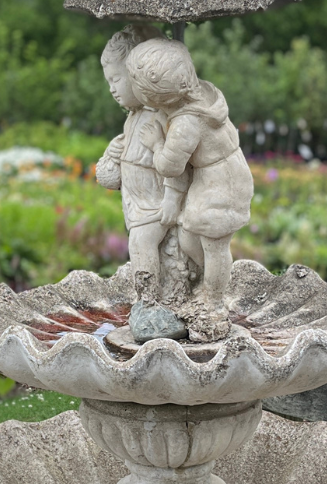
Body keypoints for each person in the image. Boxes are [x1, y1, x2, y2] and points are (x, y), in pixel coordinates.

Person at [127, 37, 254, 341]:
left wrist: (156, 141)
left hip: (221, 184)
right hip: (216, 177)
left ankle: (213, 298)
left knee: (214, 245)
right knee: (188, 237)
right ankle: (207, 282)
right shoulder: (203, 93)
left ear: (160, 97)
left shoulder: (186, 124)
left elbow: (170, 165)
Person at [95, 24, 186, 301]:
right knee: (139, 246)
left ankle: (149, 302)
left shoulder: (163, 116)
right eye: (108, 81)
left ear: (139, 75)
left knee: (141, 243)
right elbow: (111, 179)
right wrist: (110, 157)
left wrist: (172, 197)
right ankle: (150, 298)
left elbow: (180, 161)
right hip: (136, 206)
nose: (112, 89)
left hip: (156, 204)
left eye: (116, 79)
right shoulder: (133, 118)